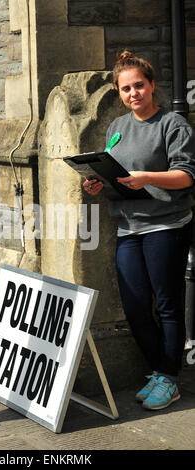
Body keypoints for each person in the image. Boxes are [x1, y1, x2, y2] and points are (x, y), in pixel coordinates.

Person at [83, 50, 195, 410]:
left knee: (167, 304)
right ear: (119, 92)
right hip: (128, 227)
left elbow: (186, 176)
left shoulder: (173, 125)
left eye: (139, 86)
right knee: (133, 306)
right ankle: (158, 371)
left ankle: (169, 377)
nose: (134, 93)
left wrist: (146, 177)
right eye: (126, 88)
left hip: (166, 224)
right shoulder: (116, 128)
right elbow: (116, 173)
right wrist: (98, 184)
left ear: (152, 86)